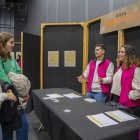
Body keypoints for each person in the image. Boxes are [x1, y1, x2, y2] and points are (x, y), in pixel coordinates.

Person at [0, 32, 29, 140]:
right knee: (7, 131)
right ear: (3, 43)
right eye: (11, 42)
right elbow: (3, 78)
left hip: (17, 99)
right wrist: (14, 92)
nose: (13, 45)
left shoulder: (11, 59)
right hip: (7, 99)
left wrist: (24, 93)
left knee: (24, 126)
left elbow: (19, 74)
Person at [111, 44, 140, 114]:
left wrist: (128, 97)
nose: (119, 54)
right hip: (117, 101)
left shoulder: (136, 69)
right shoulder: (120, 67)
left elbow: (138, 90)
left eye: (122, 52)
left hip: (129, 105)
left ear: (129, 54)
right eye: (119, 52)